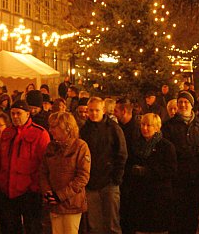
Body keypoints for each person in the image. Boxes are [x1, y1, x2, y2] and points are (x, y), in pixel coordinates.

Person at [0, 100, 50, 234]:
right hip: (7, 190)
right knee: (9, 227)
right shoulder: (7, 132)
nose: (15, 116)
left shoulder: (40, 133)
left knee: (32, 227)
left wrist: (37, 186)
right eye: (12, 113)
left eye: (19, 113)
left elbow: (44, 163)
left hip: (29, 191)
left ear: (27, 114)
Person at [162, 91, 199, 234]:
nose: (183, 105)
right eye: (180, 102)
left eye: (186, 102)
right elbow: (167, 148)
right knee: (177, 210)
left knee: (192, 210)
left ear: (191, 105)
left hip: (195, 176)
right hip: (177, 175)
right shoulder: (169, 125)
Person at [122, 113, 177, 234]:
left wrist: (147, 171)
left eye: (149, 125)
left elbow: (170, 170)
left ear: (157, 127)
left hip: (158, 195)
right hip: (139, 195)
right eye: (143, 124)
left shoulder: (166, 147)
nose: (145, 128)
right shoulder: (135, 145)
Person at [80, 97, 127, 234]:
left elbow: (122, 153)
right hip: (90, 183)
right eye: (91, 110)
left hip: (109, 182)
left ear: (103, 110)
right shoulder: (84, 130)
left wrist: (116, 178)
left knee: (112, 223)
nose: (94, 113)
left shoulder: (113, 128)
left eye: (97, 110)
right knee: (94, 224)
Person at [40, 112, 91, 234]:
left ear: (66, 128)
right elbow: (43, 171)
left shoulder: (80, 146)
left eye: (54, 127)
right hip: (54, 204)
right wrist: (47, 192)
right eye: (50, 126)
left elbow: (82, 177)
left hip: (71, 204)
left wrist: (61, 195)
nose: (50, 130)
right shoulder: (51, 147)